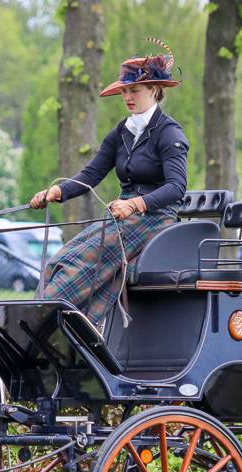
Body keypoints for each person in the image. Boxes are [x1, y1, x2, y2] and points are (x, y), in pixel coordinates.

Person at [30, 39, 189, 325]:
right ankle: (43, 324)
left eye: (134, 90)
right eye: (124, 91)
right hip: (121, 218)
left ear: (154, 90)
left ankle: (42, 321)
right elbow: (91, 175)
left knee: (80, 265)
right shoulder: (121, 132)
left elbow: (176, 187)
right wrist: (57, 191)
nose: (127, 97)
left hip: (156, 219)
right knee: (60, 260)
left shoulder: (169, 133)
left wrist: (135, 204)